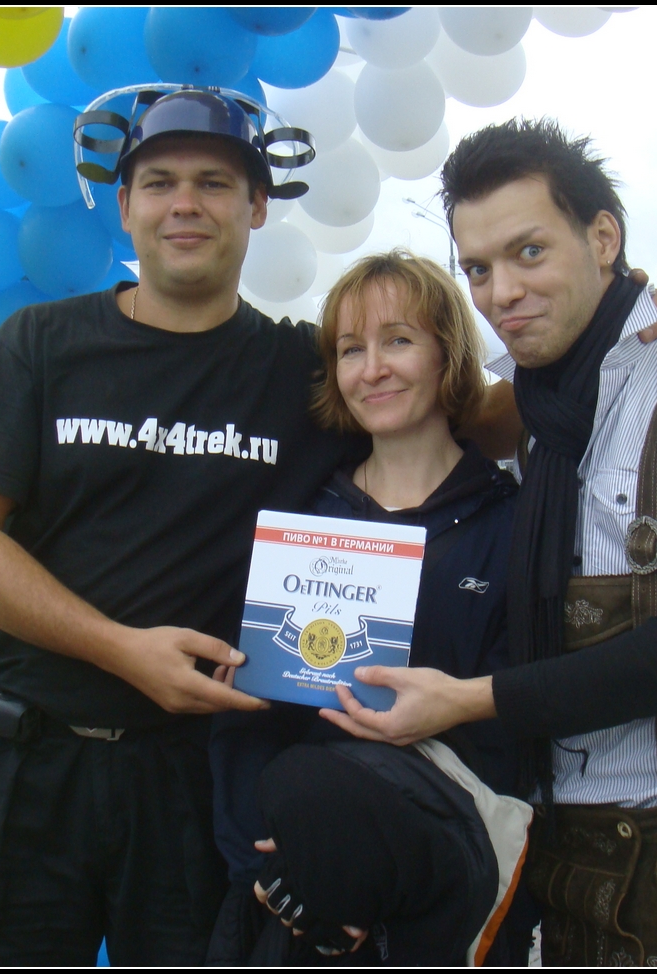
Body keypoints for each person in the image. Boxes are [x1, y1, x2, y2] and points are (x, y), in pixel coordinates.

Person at [0, 87, 657, 965]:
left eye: (216, 184)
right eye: (160, 183)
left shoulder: (304, 370)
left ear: (258, 206)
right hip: (28, 767)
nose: (186, 204)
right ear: (125, 203)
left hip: (189, 783)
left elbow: (465, 412)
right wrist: (120, 650)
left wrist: (623, 322)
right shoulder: (39, 345)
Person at [323, 118, 657, 967]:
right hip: (557, 832)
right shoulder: (532, 399)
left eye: (530, 252)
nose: (502, 291)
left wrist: (467, 700)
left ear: (603, 239)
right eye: (478, 268)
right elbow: (405, 404)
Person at [208, 250, 531, 966]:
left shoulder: (511, 524)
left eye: (399, 341)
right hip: (287, 900)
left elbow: (515, 730)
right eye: (351, 350)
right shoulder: (301, 520)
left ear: (448, 354)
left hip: (439, 897)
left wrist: (370, 871)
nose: (373, 369)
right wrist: (272, 870)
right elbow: (247, 728)